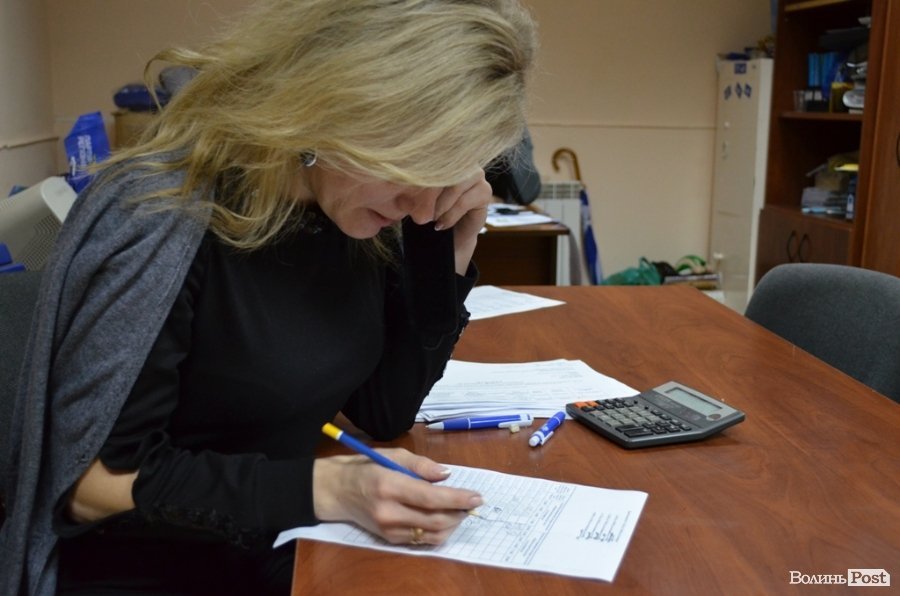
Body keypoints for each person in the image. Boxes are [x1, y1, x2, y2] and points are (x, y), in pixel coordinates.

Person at [0, 0, 537, 593]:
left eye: (444, 175)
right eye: (410, 167)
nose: (421, 201)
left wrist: (449, 245)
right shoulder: (162, 214)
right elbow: (91, 486)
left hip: (275, 540)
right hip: (148, 568)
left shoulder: (356, 212)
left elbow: (385, 411)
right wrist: (325, 488)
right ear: (336, 105)